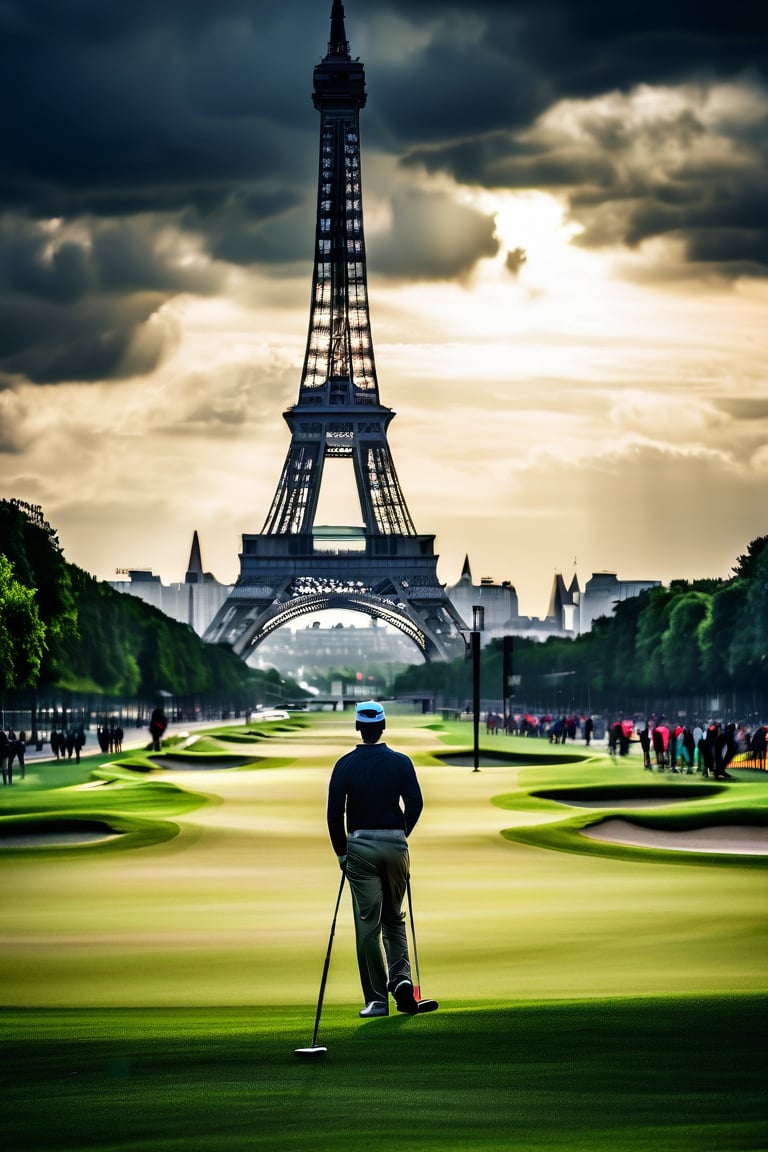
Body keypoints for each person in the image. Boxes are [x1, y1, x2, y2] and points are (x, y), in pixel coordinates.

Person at [326, 701, 425, 1019]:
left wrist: (342, 853)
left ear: (358, 727)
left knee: (368, 926)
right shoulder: (401, 762)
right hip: (395, 845)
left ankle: (377, 1000)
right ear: (383, 727)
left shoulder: (345, 765)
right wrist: (401, 833)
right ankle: (402, 979)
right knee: (394, 919)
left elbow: (333, 815)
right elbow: (415, 803)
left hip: (360, 847)